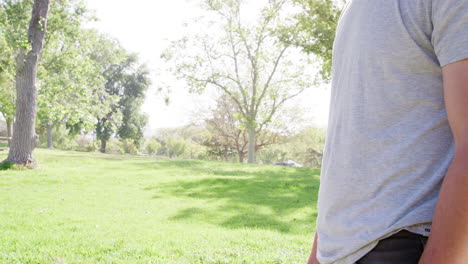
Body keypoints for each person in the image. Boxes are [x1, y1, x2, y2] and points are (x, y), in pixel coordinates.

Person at [306, 0, 468, 263]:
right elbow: (347, 150)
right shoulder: (353, 8)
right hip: (338, 250)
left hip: (400, 243)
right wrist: (319, 253)